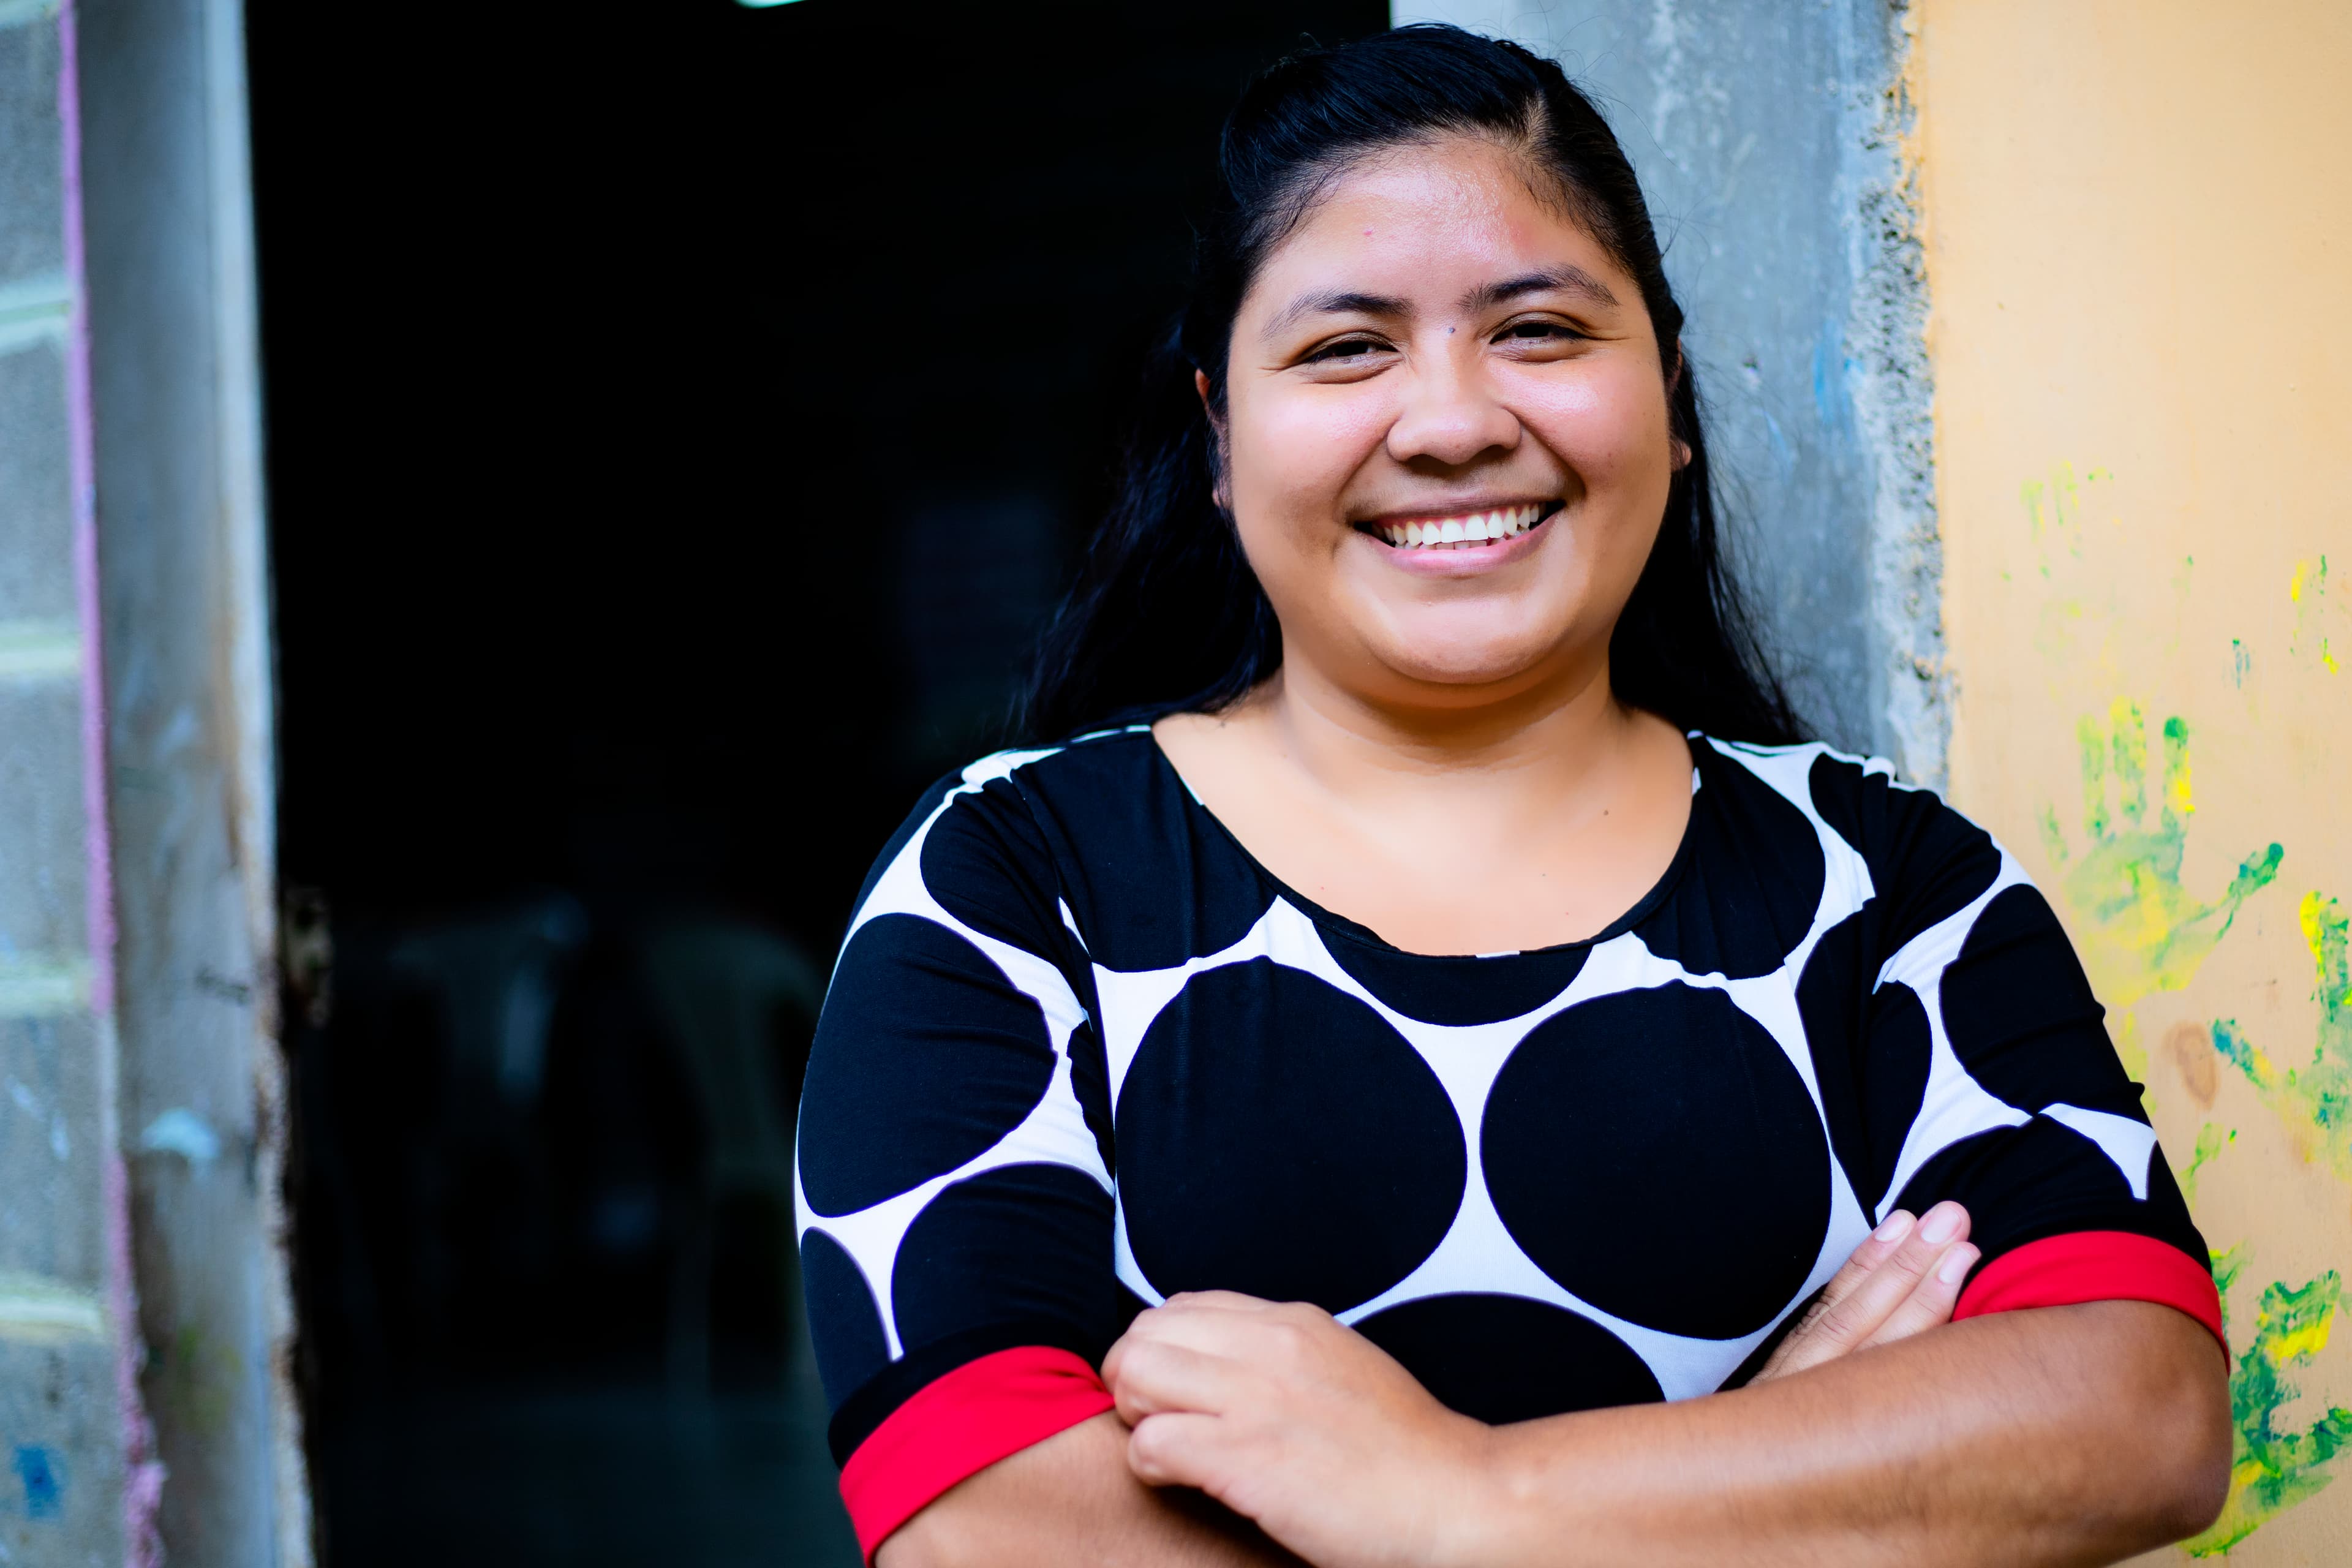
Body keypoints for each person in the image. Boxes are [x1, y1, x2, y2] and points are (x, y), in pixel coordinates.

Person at [793, 25, 2229, 1567]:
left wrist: (1464, 1496)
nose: (1455, 419)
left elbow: (2136, 1406)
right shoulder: (1011, 886)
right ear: (1220, 436)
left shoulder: (1891, 884)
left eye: (1538, 329)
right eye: (1347, 348)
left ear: (1670, 398)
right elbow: (985, 1519)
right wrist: (1763, 1466)